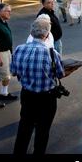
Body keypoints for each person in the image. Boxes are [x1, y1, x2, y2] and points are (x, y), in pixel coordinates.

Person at [11, 18, 74, 154]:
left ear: (31, 32)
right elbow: (60, 74)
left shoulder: (19, 49)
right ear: (47, 34)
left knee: (24, 128)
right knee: (42, 131)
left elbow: (14, 71)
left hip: (27, 95)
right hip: (47, 98)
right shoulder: (52, 53)